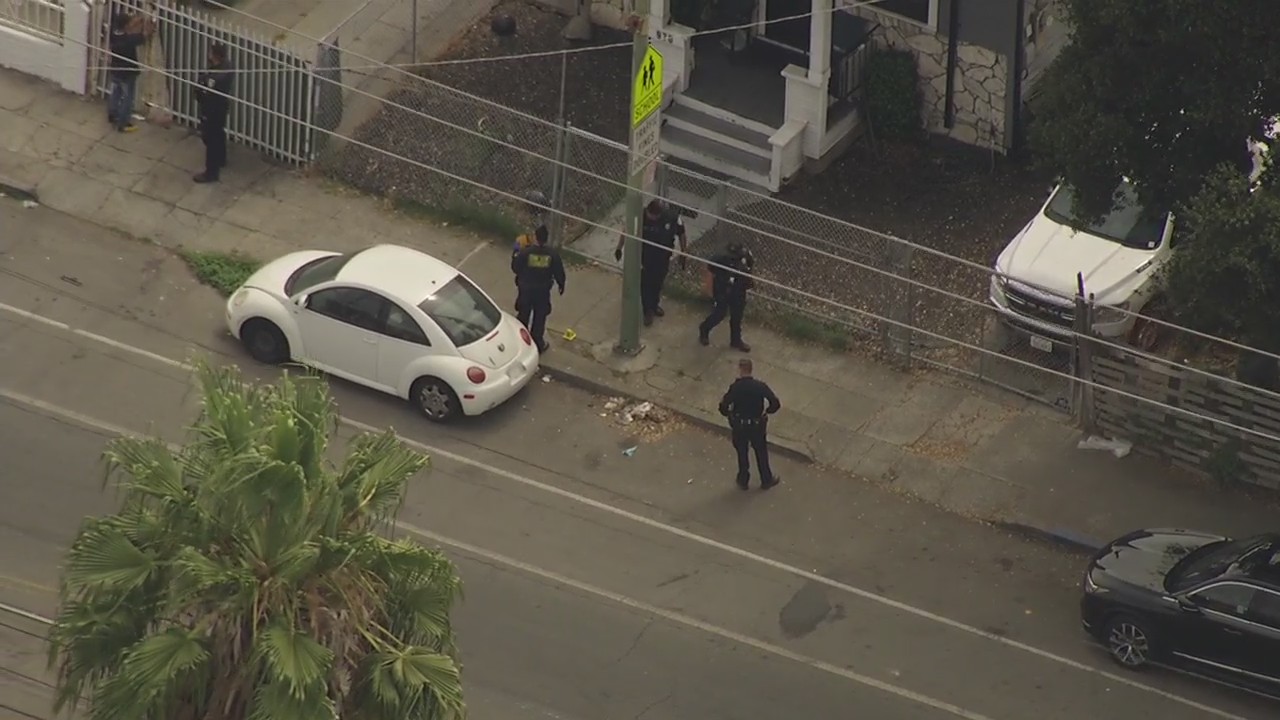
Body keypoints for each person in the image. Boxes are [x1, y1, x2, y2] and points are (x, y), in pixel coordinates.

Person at [614, 199, 687, 326]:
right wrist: (619, 247)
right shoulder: (639, 216)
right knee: (646, 284)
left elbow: (682, 233)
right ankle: (648, 310)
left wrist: (684, 252)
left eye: (655, 216)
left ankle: (654, 305)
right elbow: (627, 229)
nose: (652, 218)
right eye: (650, 215)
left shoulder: (671, 217)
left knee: (658, 282)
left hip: (663, 256)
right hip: (644, 256)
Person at [718, 358, 781, 490]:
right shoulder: (760, 386)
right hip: (757, 425)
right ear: (751, 369)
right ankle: (766, 479)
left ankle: (743, 479)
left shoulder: (735, 388)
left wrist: (728, 415)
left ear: (740, 369)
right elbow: (775, 403)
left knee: (742, 452)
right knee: (761, 452)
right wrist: (767, 411)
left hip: (740, 426)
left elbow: (724, 405)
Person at [511, 225, 566, 353]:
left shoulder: (526, 253)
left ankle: (520, 342)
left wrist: (515, 253)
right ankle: (537, 342)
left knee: (523, 314)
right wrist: (561, 284)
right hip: (542, 291)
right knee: (540, 317)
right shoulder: (552, 254)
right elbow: (559, 271)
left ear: (535, 237)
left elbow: (515, 268)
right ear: (546, 239)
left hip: (526, 289)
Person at [698, 242, 754, 352]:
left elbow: (749, 270)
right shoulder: (721, 258)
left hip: (738, 289)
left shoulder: (746, 257)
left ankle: (736, 340)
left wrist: (749, 283)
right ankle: (704, 329)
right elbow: (709, 268)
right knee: (719, 313)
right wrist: (708, 287)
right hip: (722, 288)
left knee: (737, 316)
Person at [193, 42, 234, 183]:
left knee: (210, 138)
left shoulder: (214, 77)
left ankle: (211, 172)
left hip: (212, 109)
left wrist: (201, 82)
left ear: (215, 55)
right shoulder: (227, 66)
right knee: (219, 133)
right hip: (221, 107)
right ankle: (221, 159)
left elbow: (203, 90)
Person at [106, 11, 153, 133]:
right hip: (128, 73)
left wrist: (138, 20)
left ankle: (113, 114)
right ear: (127, 25)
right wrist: (149, 24)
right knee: (128, 98)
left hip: (115, 70)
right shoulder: (130, 39)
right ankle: (123, 123)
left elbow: (128, 29)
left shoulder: (114, 34)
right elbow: (145, 35)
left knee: (115, 92)